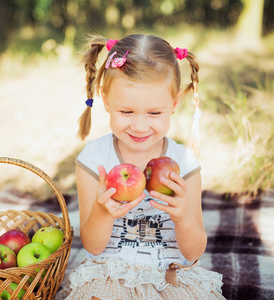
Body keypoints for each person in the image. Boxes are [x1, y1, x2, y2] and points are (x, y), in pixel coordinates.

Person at [55, 34, 225, 300]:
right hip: (110, 274)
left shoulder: (185, 163)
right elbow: (93, 246)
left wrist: (182, 217)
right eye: (127, 112)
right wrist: (102, 211)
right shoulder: (94, 159)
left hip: (171, 276)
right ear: (107, 101)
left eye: (154, 113)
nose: (140, 126)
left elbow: (194, 251)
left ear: (174, 104)